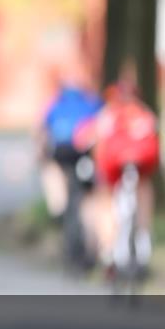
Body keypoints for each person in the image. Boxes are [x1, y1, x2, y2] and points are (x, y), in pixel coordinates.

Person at [78, 77, 159, 275]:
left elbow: (85, 138)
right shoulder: (144, 113)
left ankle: (108, 248)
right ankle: (143, 235)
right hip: (140, 164)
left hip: (113, 166)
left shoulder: (108, 114)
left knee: (104, 196)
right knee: (144, 187)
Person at [38, 77, 103, 269]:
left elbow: (41, 132)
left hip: (61, 155)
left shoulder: (55, 105)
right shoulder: (92, 103)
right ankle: (92, 249)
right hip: (84, 154)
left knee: (59, 184)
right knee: (88, 197)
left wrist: (42, 157)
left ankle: (57, 209)